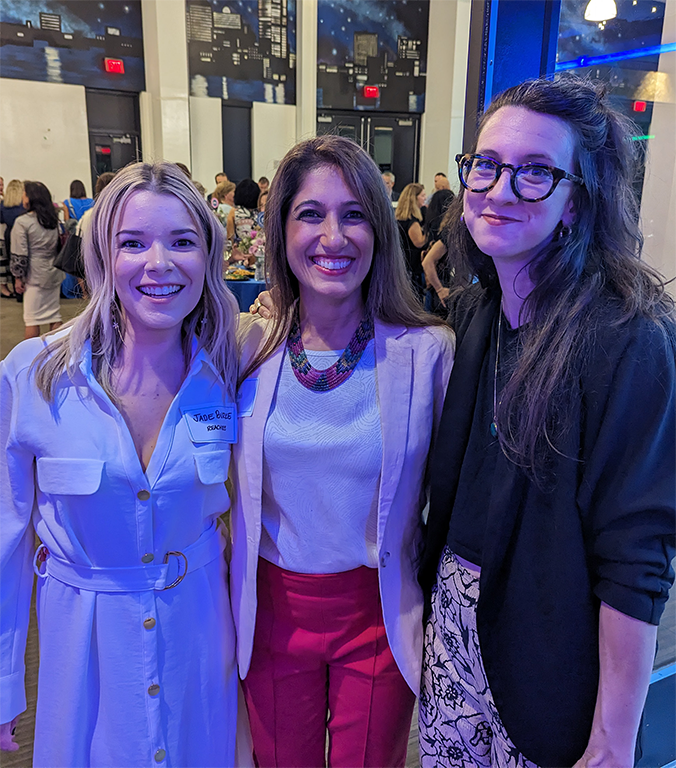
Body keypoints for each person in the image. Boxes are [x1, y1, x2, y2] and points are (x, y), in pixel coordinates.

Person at [417, 76, 676, 768]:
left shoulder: (627, 337)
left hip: (548, 661)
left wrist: (613, 740)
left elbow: (636, 556)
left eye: (536, 172)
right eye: (488, 165)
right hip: (454, 637)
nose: (500, 189)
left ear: (576, 201)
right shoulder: (474, 310)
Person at [0, 162, 245, 767]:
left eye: (182, 241)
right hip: (81, 644)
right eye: (132, 242)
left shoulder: (235, 365)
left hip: (199, 633)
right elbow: (5, 539)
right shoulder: (34, 374)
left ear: (208, 257)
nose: (158, 263)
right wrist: (4, 683)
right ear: (102, 256)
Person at [230, 134, 454, 768]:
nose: (334, 235)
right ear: (281, 231)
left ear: (379, 231)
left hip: (378, 614)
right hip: (272, 613)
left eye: (355, 214)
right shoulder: (249, 348)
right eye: (311, 214)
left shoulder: (426, 352)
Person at [10, 181, 63, 338]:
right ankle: (58, 355)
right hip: (54, 273)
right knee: (54, 316)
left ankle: (31, 358)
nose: (22, 197)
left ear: (30, 198)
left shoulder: (23, 222)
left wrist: (18, 277)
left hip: (34, 277)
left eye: (24, 193)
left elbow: (20, 254)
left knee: (32, 319)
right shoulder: (54, 220)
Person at [422, 189, 454, 316]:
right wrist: (440, 289)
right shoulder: (446, 233)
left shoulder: (431, 225)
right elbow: (427, 261)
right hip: (441, 287)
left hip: (432, 285)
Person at [395, 182, 427, 303]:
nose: (425, 198)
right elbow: (419, 242)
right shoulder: (412, 222)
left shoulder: (399, 219)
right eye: (422, 195)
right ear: (414, 198)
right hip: (411, 269)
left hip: (402, 266)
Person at [226, 178, 261, 266]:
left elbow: (230, 236)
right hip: (258, 254)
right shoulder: (260, 213)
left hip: (240, 255)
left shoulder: (234, 212)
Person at [0, 179, 25, 298]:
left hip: (8, 234)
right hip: (22, 233)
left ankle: (17, 291)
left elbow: (1, 219)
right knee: (22, 260)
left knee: (12, 261)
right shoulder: (23, 205)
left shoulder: (3, 204)